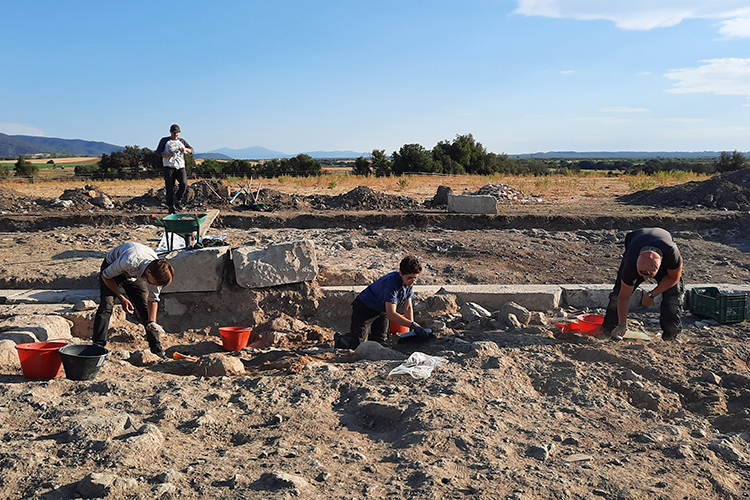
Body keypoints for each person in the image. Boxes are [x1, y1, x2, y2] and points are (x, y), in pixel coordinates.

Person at [92, 242, 175, 357]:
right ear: (149, 272)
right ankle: (97, 347)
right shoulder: (129, 261)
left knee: (145, 310)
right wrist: (121, 298)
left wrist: (152, 322)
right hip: (112, 267)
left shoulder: (157, 273)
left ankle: (157, 350)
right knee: (107, 305)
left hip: (133, 274)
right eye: (154, 283)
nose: (154, 285)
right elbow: (105, 276)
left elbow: (153, 300)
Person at [601, 228, 684, 342]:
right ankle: (610, 330)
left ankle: (671, 334)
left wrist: (652, 294)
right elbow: (623, 296)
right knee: (617, 294)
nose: (645, 278)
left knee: (674, 295)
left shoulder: (672, 253)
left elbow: (674, 277)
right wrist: (622, 324)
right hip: (636, 240)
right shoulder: (631, 262)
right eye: (642, 274)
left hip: (663, 245)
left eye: (650, 275)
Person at [334, 255, 430, 349]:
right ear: (401, 273)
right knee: (358, 346)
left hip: (382, 308)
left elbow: (407, 306)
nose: (412, 281)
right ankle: (341, 339)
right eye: (409, 278)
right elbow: (391, 314)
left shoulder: (408, 282)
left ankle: (364, 335)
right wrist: (412, 325)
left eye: (415, 278)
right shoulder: (391, 284)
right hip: (365, 308)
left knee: (381, 342)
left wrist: (412, 327)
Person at [155, 124, 193, 214]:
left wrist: (185, 149)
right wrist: (167, 156)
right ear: (170, 132)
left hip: (180, 166)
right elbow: (158, 152)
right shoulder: (165, 140)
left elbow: (191, 150)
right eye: (174, 133)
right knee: (170, 187)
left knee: (184, 184)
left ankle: (178, 200)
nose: (175, 135)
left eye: (177, 133)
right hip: (169, 166)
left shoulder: (182, 141)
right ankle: (170, 206)